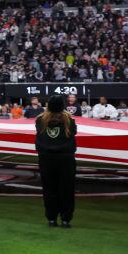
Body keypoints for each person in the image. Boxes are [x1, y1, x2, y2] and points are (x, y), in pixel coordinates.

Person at [36, 95, 77, 228]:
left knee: (49, 189)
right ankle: (66, 219)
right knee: (67, 189)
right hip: (66, 159)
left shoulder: (40, 120)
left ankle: (51, 218)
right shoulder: (69, 120)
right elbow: (74, 132)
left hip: (46, 158)